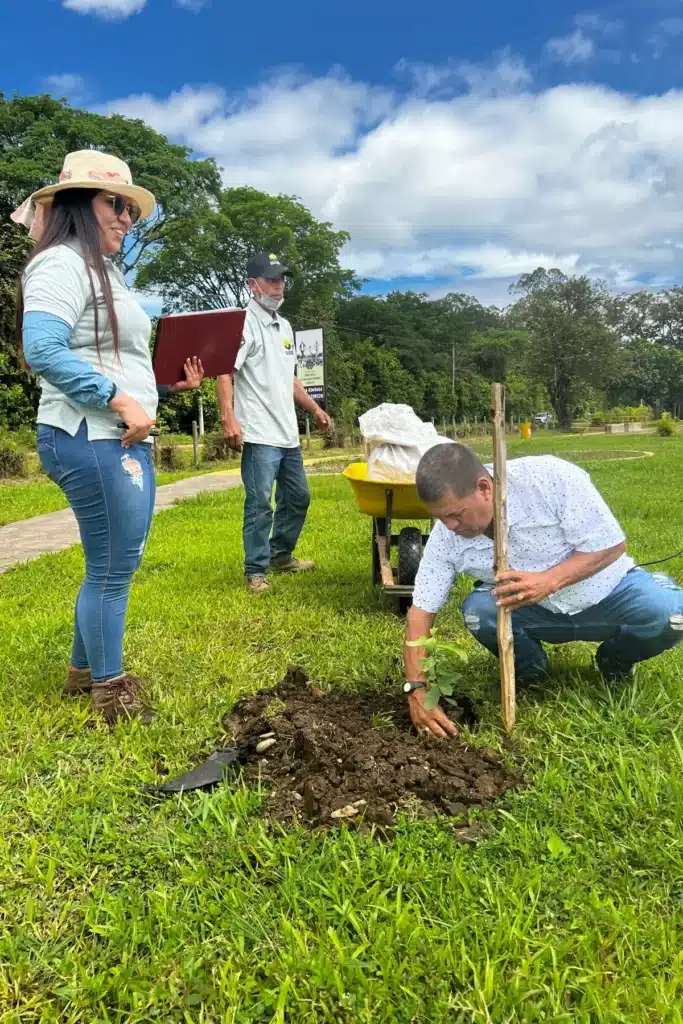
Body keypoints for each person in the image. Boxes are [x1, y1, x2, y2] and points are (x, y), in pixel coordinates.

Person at [14, 150, 202, 725]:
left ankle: (81, 673)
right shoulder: (62, 264)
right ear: (77, 205)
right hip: (89, 432)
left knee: (111, 562)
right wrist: (117, 399)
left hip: (112, 431)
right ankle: (110, 690)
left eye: (130, 209)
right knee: (114, 568)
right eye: (113, 204)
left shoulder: (105, 270)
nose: (126, 217)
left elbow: (115, 359)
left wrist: (157, 390)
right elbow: (41, 348)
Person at [403, 443, 683, 738]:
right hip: (533, 612)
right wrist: (416, 688)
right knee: (478, 612)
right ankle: (530, 669)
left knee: (673, 614)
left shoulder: (549, 479)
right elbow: (421, 611)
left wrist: (549, 580)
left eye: (456, 515)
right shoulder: (446, 536)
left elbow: (611, 545)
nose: (449, 526)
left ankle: (615, 659)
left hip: (607, 593)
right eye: (440, 517)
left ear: (484, 488)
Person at [217, 252, 332, 594]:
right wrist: (229, 418)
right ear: (253, 284)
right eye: (271, 279)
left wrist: (314, 409)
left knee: (298, 498)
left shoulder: (284, 326)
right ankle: (256, 570)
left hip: (287, 434)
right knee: (260, 503)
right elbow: (225, 369)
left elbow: (290, 378)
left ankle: (281, 555)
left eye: (282, 279)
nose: (279, 285)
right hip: (259, 433)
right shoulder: (243, 323)